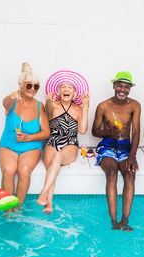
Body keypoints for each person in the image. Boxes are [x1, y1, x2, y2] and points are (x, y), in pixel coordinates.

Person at [92, 71, 141, 231]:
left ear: (130, 89)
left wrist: (132, 155)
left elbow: (135, 132)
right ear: (114, 86)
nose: (123, 89)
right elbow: (94, 131)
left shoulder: (135, 105)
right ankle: (114, 221)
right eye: (120, 85)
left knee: (130, 174)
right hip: (107, 145)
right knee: (112, 172)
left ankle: (125, 220)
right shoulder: (103, 106)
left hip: (126, 147)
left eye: (126, 87)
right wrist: (108, 133)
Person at [36, 70, 90, 214]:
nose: (66, 89)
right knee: (52, 164)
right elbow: (45, 120)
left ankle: (44, 194)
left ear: (74, 93)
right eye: (63, 87)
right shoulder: (52, 105)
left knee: (58, 156)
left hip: (70, 144)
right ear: (58, 91)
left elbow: (83, 130)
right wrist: (48, 102)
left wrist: (86, 107)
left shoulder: (79, 109)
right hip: (52, 141)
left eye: (70, 87)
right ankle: (49, 204)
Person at [0, 63, 50, 208]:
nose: (32, 89)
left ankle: (18, 206)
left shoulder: (39, 106)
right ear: (21, 85)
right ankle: (7, 208)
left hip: (31, 146)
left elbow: (46, 132)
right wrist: (11, 95)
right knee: (9, 171)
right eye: (29, 86)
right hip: (9, 145)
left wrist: (29, 138)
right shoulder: (13, 101)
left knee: (24, 170)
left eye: (36, 86)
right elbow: (5, 103)